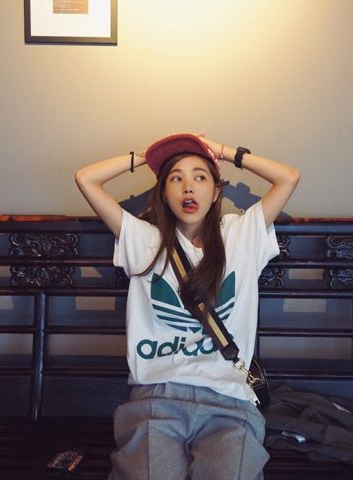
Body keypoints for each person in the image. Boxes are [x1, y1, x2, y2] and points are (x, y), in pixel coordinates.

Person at [75, 133, 300, 480]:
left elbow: (288, 177)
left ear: (216, 190)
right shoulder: (144, 240)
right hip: (157, 399)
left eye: (200, 177)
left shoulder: (241, 236)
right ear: (164, 192)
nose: (188, 188)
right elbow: (85, 179)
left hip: (229, 402)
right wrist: (147, 156)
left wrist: (222, 151)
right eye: (175, 179)